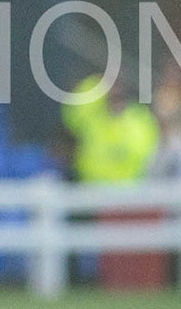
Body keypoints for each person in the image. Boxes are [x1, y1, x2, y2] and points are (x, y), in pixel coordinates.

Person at [62, 74, 161, 290]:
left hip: (131, 195)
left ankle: (133, 286)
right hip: (91, 194)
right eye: (110, 90)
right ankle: (76, 285)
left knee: (131, 250)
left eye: (117, 90)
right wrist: (99, 82)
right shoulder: (92, 119)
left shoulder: (139, 119)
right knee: (73, 236)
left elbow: (148, 154)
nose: (114, 94)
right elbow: (72, 110)